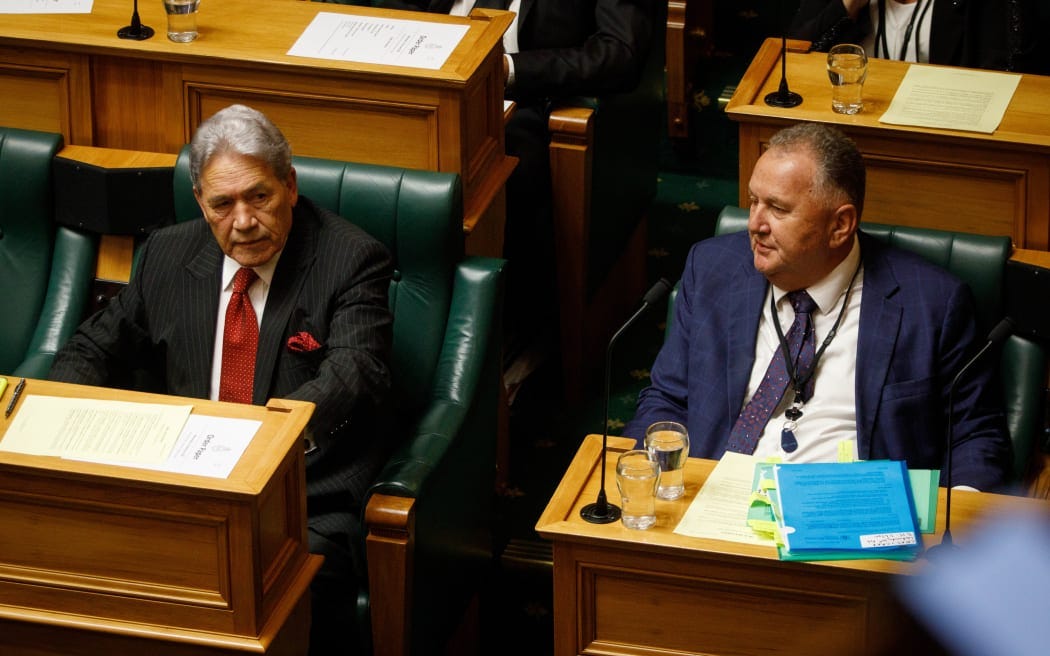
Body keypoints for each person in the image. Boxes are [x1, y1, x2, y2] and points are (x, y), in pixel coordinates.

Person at [49, 104, 394, 654]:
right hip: (183, 487)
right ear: (201, 205)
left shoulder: (349, 257)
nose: (243, 221)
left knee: (244, 599)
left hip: (300, 498)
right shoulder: (167, 252)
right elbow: (94, 345)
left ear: (290, 185)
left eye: (259, 196)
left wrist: (273, 434)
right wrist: (57, 414)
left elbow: (356, 368)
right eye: (222, 204)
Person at [623, 122, 1012, 491]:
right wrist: (653, 486)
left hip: (849, 524)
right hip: (718, 499)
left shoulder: (932, 304)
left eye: (777, 209)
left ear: (840, 225)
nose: (755, 224)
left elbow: (975, 435)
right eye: (753, 200)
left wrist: (956, 534)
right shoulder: (713, 270)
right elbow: (668, 398)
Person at [372, 0, 657, 374]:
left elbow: (619, 53)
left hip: (527, 100)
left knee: (496, 176)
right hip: (418, 75)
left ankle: (490, 342)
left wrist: (508, 70)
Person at [789, 0, 1045, 74]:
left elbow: (1007, 75)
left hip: (946, 140)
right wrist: (848, 6)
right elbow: (792, 62)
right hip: (847, 135)